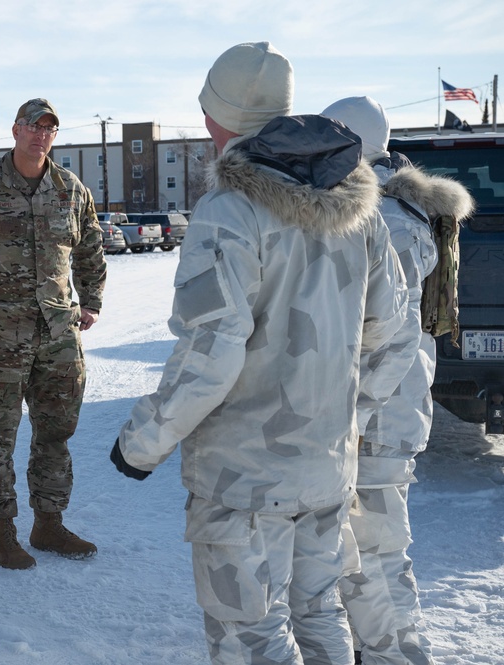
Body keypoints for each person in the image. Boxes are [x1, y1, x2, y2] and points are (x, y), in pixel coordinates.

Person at [110, 43, 408, 664]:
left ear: (222, 115)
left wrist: (142, 443)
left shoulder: (229, 210)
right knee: (320, 613)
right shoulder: (362, 205)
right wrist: (345, 421)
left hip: (245, 476)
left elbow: (211, 351)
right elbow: (390, 333)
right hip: (326, 468)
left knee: (251, 635)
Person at [322, 95, 474, 665]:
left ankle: (398, 655)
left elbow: (377, 333)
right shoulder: (394, 208)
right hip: (383, 408)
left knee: (378, 549)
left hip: (375, 413)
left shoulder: (378, 216)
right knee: (362, 545)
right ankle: (374, 647)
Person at [0, 98, 107, 570]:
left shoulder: (70, 189)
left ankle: (49, 523)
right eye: (32, 127)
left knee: (56, 433)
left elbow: (91, 247)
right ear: (15, 130)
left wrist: (92, 301)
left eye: (49, 129)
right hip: (1, 333)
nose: (40, 136)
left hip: (58, 333)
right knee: (0, 433)